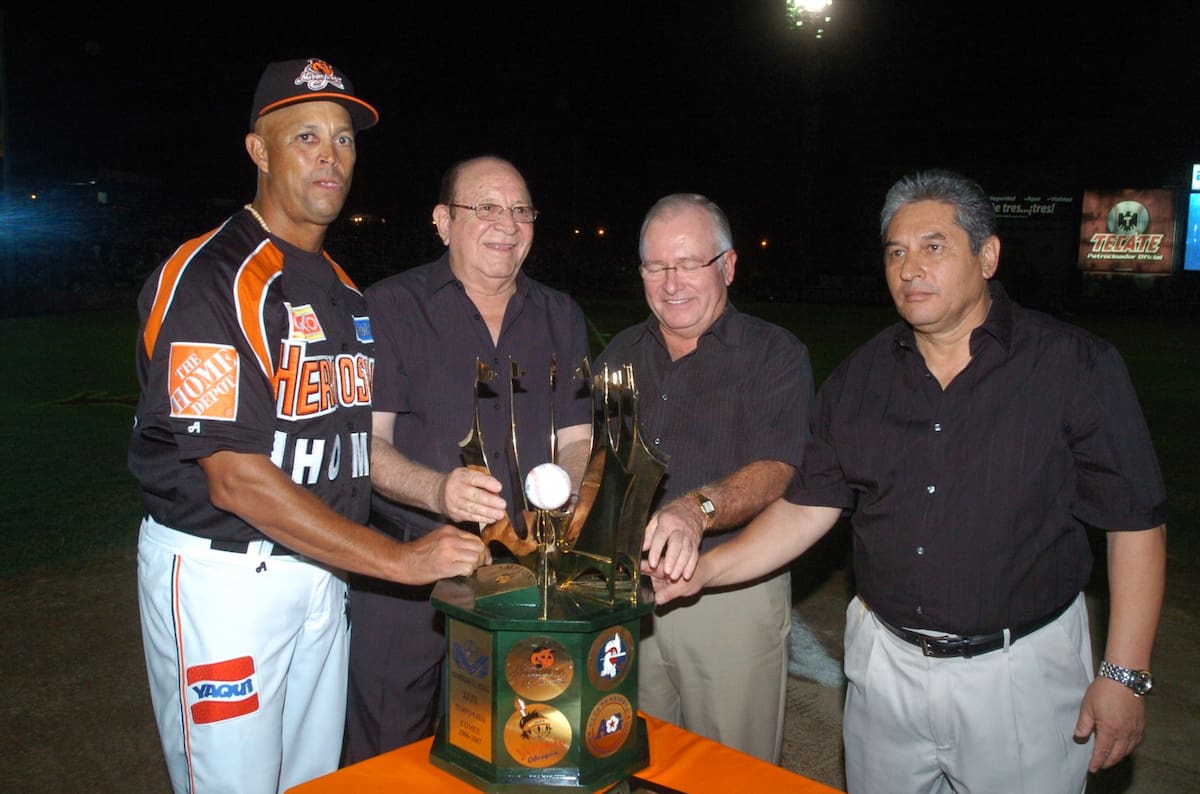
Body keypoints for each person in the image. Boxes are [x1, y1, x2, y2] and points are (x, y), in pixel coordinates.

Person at [653, 170, 1168, 792]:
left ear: (988, 255)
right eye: (895, 251)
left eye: (933, 246)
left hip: (1018, 671)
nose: (909, 268)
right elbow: (808, 508)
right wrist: (707, 570)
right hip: (886, 668)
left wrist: (1124, 674)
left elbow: (1134, 522)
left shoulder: (1073, 366)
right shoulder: (859, 380)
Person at [129, 58, 490, 794]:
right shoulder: (212, 278)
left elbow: (349, 448)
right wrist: (397, 562)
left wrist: (435, 495)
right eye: (306, 137)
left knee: (312, 781)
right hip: (224, 577)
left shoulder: (345, 291)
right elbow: (232, 479)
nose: (332, 156)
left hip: (321, 570)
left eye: (345, 139)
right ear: (259, 152)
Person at [343, 155, 593, 763]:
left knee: (518, 743)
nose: (505, 224)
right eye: (484, 207)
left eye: (520, 210)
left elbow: (579, 437)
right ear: (442, 221)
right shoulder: (389, 306)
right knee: (387, 750)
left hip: (524, 570)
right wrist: (438, 492)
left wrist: (564, 500)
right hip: (407, 568)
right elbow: (365, 445)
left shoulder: (561, 315)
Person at [596, 193, 814, 763]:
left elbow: (779, 466)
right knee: (634, 758)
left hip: (729, 596)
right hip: (631, 592)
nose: (672, 282)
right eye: (656, 266)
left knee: (729, 770)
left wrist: (697, 510)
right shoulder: (620, 353)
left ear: (728, 266)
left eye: (690, 263)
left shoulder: (775, 354)